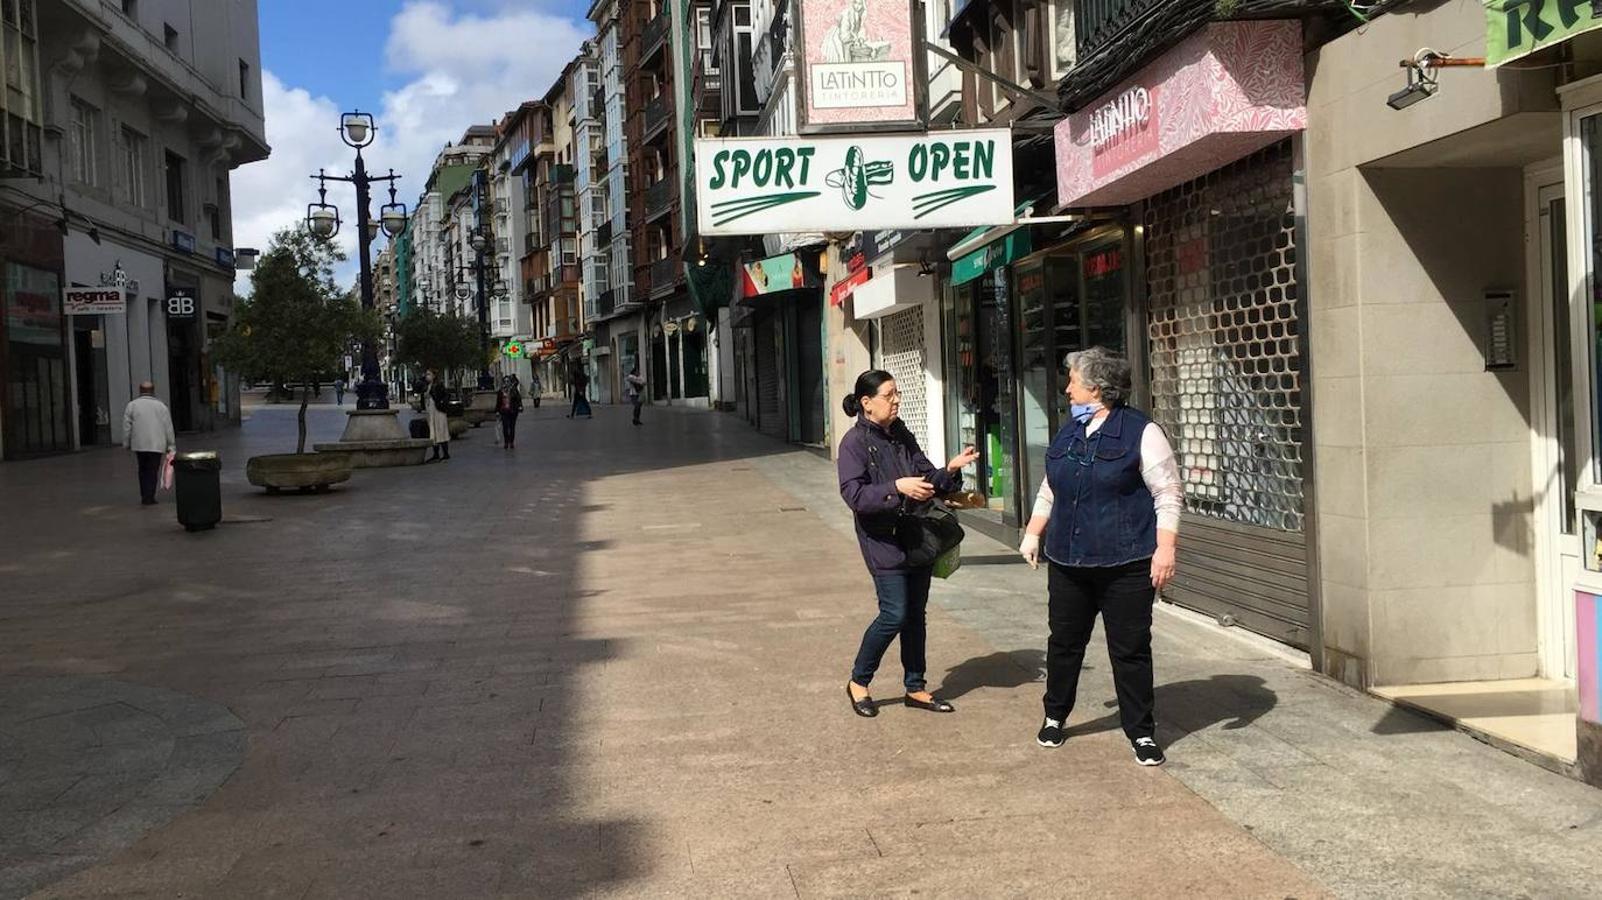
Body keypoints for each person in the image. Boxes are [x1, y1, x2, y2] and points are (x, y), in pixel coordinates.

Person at [1018, 347, 1182, 766]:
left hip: (1124, 563)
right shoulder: (1069, 431)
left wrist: (1165, 550)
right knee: (1064, 643)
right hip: (1069, 562)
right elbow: (1050, 487)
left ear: (1095, 387)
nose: (1067, 387)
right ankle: (1055, 716)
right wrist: (1033, 533)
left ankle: (1141, 733)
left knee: (1129, 648)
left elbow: (1167, 494)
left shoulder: (1142, 432)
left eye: (1072, 380)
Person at [838, 370, 979, 718]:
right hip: (882, 540)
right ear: (867, 403)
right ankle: (859, 681)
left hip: (917, 534)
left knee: (915, 615)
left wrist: (950, 469)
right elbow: (854, 494)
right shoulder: (853, 443)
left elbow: (927, 475)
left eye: (897, 392)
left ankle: (915, 687)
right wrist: (896, 487)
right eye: (889, 395)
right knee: (894, 613)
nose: (897, 399)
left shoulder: (900, 434)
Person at [122, 381, 176, 506]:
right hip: (156, 444)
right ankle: (150, 496)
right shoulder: (161, 406)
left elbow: (127, 426)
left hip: (139, 444)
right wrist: (171, 445)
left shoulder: (132, 405)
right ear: (153, 391)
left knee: (142, 469)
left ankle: (144, 495)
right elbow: (168, 427)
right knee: (153, 470)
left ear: (140, 390)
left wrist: (126, 442)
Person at [425, 370, 452, 462]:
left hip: (439, 410)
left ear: (434, 375)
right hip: (431, 411)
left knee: (441, 430)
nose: (427, 376)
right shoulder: (428, 386)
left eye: (429, 374)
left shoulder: (438, 385)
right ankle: (436, 453)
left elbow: (445, 396)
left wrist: (440, 403)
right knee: (434, 431)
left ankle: (445, 453)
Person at [496, 376, 524, 450]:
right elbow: (498, 402)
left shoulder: (514, 390)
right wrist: (497, 411)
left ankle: (511, 442)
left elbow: (519, 399)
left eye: (508, 381)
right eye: (505, 381)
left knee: (512, 427)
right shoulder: (501, 391)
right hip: (504, 411)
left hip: (513, 411)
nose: (506, 383)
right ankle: (506, 442)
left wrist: (520, 406)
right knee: (505, 427)